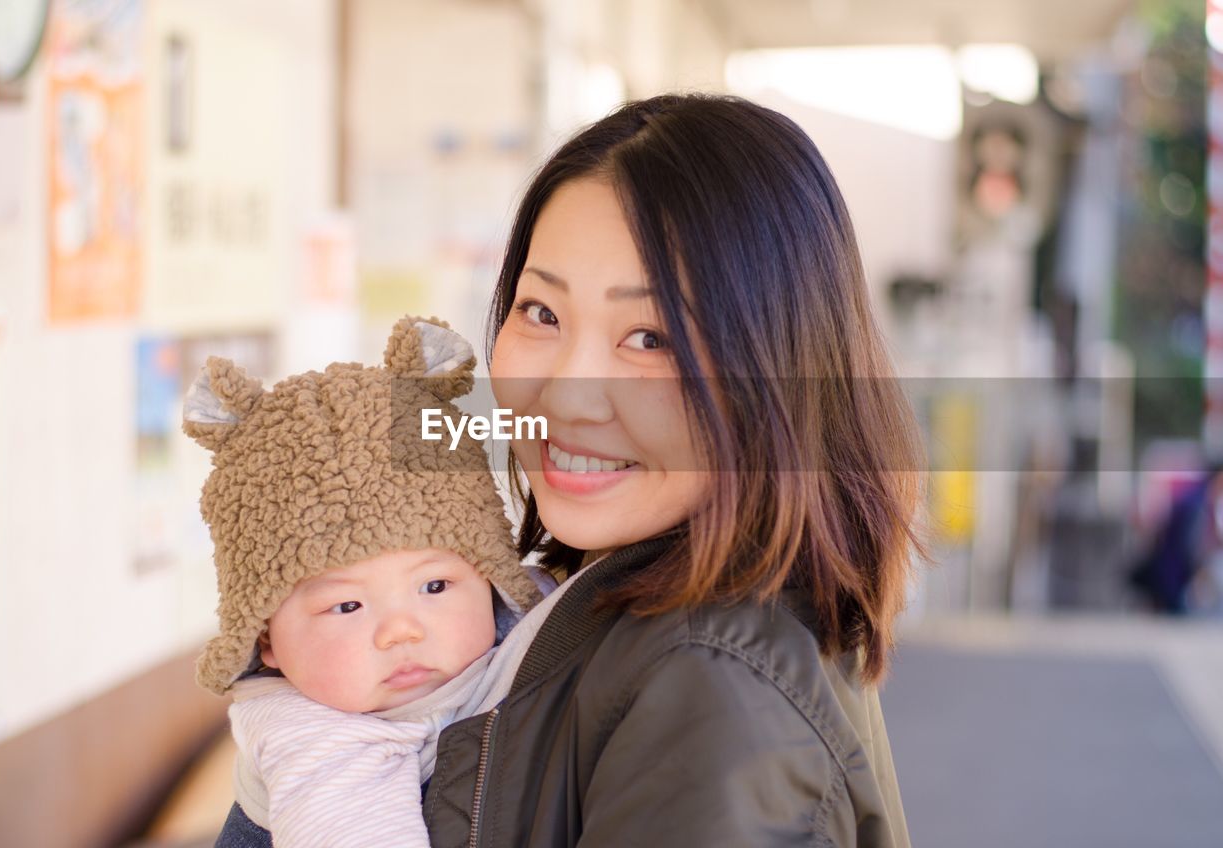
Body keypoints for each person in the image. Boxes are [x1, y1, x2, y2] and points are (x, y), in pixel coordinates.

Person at [216, 92, 926, 847]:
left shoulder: (716, 686)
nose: (566, 396)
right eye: (542, 314)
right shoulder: (597, 593)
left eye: (652, 337)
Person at [185, 315, 553, 847]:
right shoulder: (320, 746)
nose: (400, 631)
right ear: (264, 637)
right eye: (347, 607)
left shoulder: (526, 620)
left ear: (491, 576)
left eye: (434, 588)